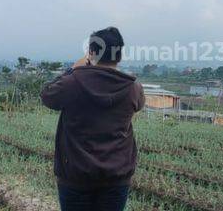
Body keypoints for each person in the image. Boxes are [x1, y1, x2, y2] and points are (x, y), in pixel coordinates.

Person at [41, 27, 145, 211]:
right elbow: (138, 105)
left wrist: (72, 69)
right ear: (119, 55)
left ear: (91, 53)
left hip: (75, 176)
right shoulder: (133, 87)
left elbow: (47, 95)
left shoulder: (73, 82)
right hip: (116, 177)